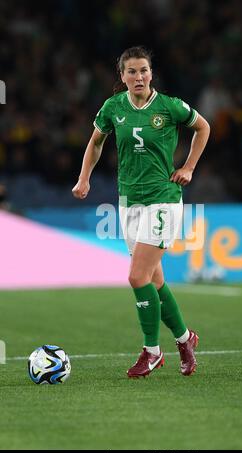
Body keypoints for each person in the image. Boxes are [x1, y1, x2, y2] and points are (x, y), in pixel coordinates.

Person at [72, 46, 210, 378]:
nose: (139, 77)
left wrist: (189, 167)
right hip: (129, 201)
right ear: (122, 77)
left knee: (137, 277)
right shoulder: (113, 107)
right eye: (131, 71)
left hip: (163, 199)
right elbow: (95, 142)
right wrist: (84, 178)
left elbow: (203, 128)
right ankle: (184, 338)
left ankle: (152, 351)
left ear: (152, 73)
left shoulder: (169, 106)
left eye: (144, 70)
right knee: (154, 279)